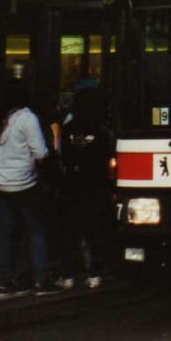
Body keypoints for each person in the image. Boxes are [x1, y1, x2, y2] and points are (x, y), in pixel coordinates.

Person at [0, 77, 66, 297]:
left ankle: (4, 282)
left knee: (5, 233)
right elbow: (40, 152)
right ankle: (40, 280)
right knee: (36, 230)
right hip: (24, 182)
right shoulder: (26, 117)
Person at [54, 87, 113, 289]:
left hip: (72, 183)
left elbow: (62, 153)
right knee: (94, 230)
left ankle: (67, 276)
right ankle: (95, 274)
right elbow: (108, 156)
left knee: (70, 231)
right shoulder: (101, 130)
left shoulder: (68, 128)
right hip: (96, 184)